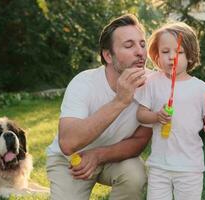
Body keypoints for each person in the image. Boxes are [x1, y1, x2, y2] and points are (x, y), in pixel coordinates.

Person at [46, 14, 151, 200]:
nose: (140, 52)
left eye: (142, 44)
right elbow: (67, 143)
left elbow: (139, 141)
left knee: (135, 174)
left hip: (113, 158)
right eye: (129, 45)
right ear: (108, 55)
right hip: (71, 161)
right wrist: (120, 101)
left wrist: (99, 155)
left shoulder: (153, 86)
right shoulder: (83, 83)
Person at [136, 22, 205, 200]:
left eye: (179, 52)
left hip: (190, 166)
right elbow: (141, 114)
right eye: (165, 52)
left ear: (190, 56)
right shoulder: (152, 82)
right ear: (157, 55)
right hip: (159, 165)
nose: (172, 57)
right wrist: (156, 116)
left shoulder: (201, 89)